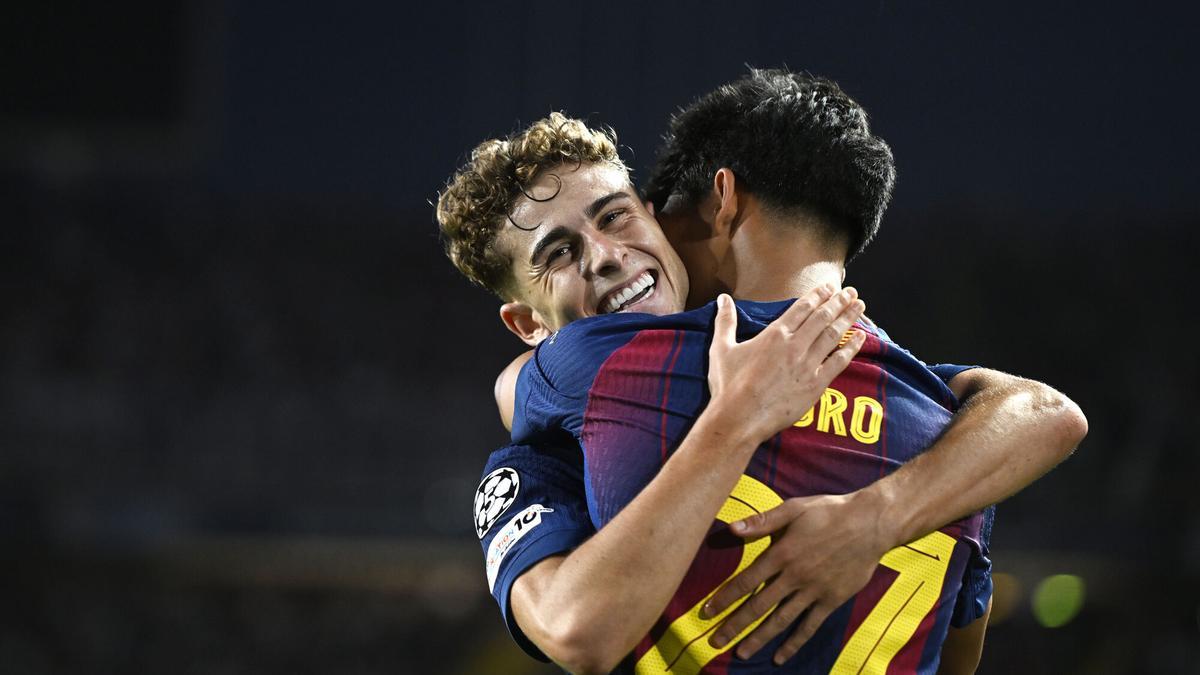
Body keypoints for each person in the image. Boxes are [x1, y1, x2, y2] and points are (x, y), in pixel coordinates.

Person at [439, 69, 1086, 673]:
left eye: (627, 215)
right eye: (561, 252)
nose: (610, 256)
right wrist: (881, 515)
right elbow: (956, 650)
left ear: (718, 200)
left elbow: (577, 630)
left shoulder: (609, 366)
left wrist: (734, 421)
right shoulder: (950, 432)